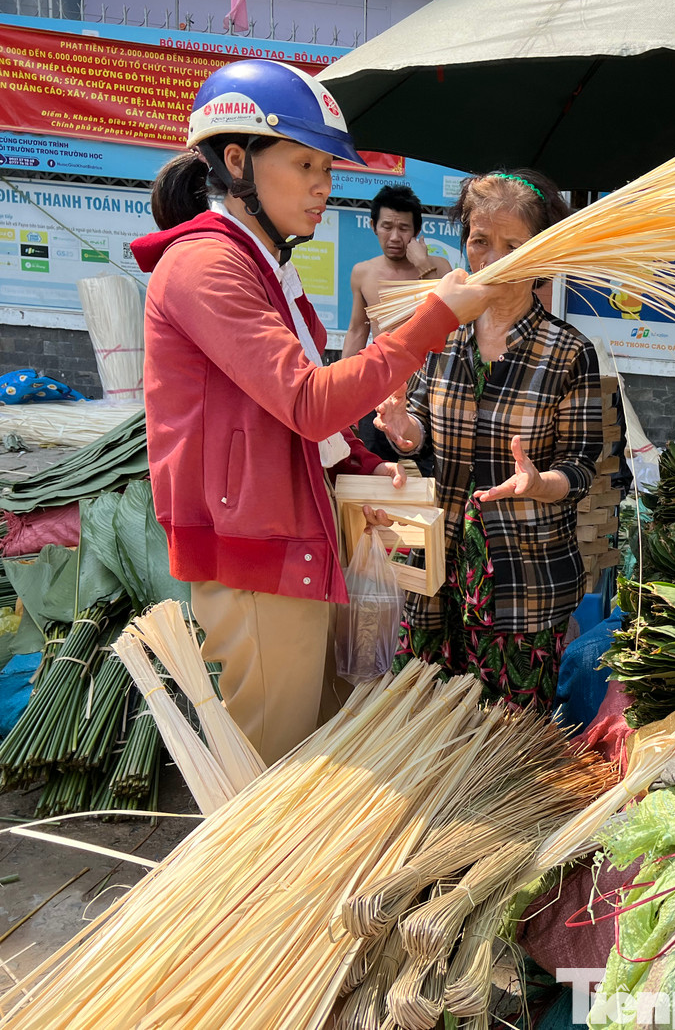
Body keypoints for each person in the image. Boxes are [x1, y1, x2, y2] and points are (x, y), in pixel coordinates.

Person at [133, 59, 499, 763]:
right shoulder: (206, 265)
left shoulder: (264, 262)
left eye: (327, 168)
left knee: (319, 753)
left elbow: (298, 411)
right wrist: (432, 320)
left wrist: (358, 466)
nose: (323, 186)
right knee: (272, 774)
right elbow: (306, 401)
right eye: (305, 165)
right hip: (255, 551)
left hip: (294, 533)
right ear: (236, 161)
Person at [373, 169, 605, 708]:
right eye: (480, 240)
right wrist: (404, 430)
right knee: (422, 720)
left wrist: (539, 483)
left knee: (506, 737)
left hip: (523, 580)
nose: (493, 258)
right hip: (436, 567)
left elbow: (580, 466)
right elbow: (420, 428)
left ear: (541, 254)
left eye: (513, 246)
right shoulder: (439, 331)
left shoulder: (569, 352)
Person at [345, 184, 446, 466]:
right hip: (380, 386)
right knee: (377, 467)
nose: (394, 237)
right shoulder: (363, 272)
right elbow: (357, 330)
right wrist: (344, 392)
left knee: (432, 470)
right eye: (387, 226)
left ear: (416, 231)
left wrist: (423, 266)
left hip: (428, 387)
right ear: (373, 226)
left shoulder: (439, 268)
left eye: (403, 228)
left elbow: (447, 318)